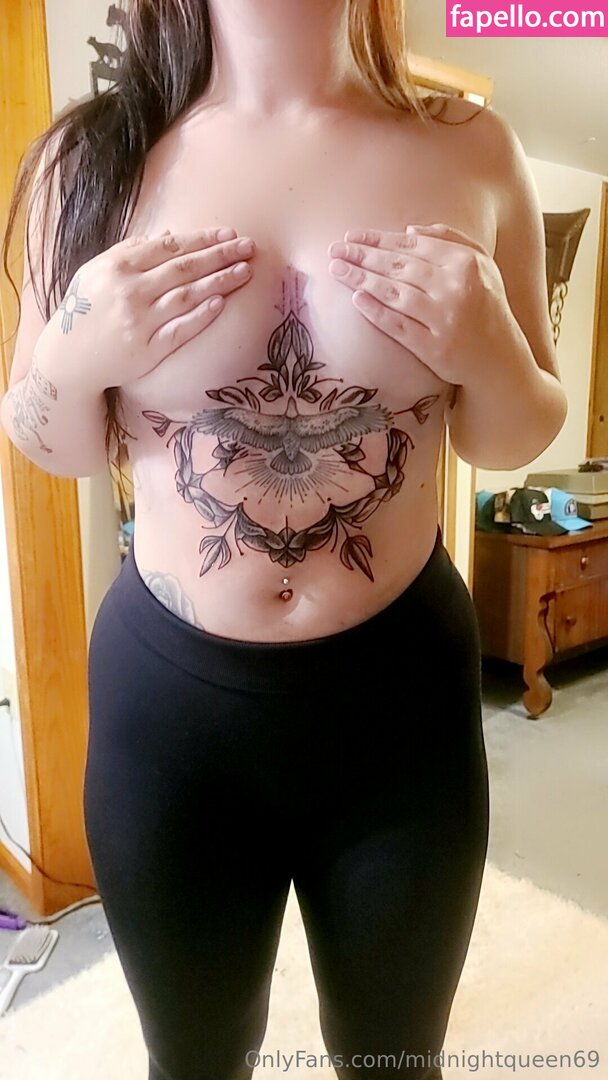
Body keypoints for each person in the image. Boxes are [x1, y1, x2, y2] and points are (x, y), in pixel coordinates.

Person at [0, 2, 567, 1077]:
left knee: (396, 1061)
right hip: (172, 722)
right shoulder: (89, 161)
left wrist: (489, 346)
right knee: (194, 1060)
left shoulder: (472, 148)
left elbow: (511, 433)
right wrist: (77, 350)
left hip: (401, 707)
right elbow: (47, 439)